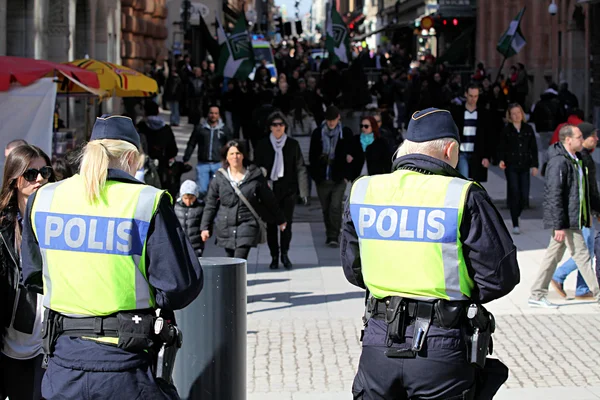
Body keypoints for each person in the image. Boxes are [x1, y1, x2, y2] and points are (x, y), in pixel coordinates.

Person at [20, 115, 204, 399]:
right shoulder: (146, 201)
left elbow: (33, 275)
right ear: (131, 157)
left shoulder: (44, 198)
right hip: (126, 364)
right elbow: (180, 285)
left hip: (64, 364)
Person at [341, 108, 519, 399]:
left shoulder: (364, 190)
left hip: (378, 339)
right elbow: (500, 276)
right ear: (450, 149)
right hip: (442, 345)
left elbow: (353, 269)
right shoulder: (463, 194)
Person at [0, 145, 54, 400]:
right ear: (14, 179)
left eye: (45, 171)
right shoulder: (3, 228)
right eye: (31, 174)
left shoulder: (61, 222)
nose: (40, 179)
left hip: (50, 340)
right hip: (10, 341)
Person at [529, 124, 600, 308]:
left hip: (572, 217)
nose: (581, 140)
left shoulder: (576, 159)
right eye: (578, 137)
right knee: (583, 256)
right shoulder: (559, 162)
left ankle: (537, 294)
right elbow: (554, 195)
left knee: (553, 257)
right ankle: (598, 294)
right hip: (567, 220)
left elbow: (583, 192)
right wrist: (558, 225)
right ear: (568, 140)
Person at [200, 140, 286, 260]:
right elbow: (211, 203)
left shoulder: (255, 175)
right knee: (230, 261)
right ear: (226, 157)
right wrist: (205, 227)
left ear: (243, 155)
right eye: (231, 154)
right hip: (225, 226)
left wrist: (280, 219)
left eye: (238, 153)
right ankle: (237, 279)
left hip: (247, 224)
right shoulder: (219, 177)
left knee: (240, 259)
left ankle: (239, 278)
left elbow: (269, 199)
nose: (235, 157)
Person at [254, 112, 310, 269]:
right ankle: (274, 256)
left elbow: (300, 168)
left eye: (281, 124)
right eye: (274, 125)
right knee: (271, 225)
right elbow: (255, 168)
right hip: (269, 190)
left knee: (286, 224)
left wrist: (303, 192)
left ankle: (285, 253)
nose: (278, 128)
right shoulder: (263, 144)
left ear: (285, 126)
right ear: (270, 127)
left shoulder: (292, 144)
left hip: (288, 190)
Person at [551, 123, 600, 299]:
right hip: (579, 214)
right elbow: (587, 190)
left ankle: (581, 288)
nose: (596, 139)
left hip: (582, 213)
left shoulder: (583, 158)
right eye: (593, 135)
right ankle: (558, 276)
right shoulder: (581, 159)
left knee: (584, 251)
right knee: (584, 253)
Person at [309, 106, 354, 247]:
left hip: (339, 177)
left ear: (338, 118)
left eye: (333, 120)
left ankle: (333, 235)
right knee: (326, 208)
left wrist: (347, 175)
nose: (331, 123)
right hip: (322, 177)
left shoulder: (345, 133)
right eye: (328, 120)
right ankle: (330, 231)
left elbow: (354, 154)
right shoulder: (317, 133)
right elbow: (312, 156)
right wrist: (316, 175)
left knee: (335, 206)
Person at [497, 103, 539, 234]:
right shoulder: (506, 130)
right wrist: (501, 159)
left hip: (525, 165)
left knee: (524, 194)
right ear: (509, 116)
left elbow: (533, 148)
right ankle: (515, 221)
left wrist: (535, 165)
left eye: (518, 113)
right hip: (512, 165)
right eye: (513, 114)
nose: (516, 116)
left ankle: (518, 212)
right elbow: (501, 146)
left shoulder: (528, 129)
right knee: (514, 192)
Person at [183, 105, 233, 198]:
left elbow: (231, 146)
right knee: (202, 190)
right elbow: (192, 143)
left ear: (219, 115)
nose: (213, 115)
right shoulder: (200, 128)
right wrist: (186, 158)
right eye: (211, 113)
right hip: (203, 164)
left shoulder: (224, 130)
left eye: (216, 113)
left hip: (218, 164)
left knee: (218, 191)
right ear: (207, 114)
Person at [451, 84, 492, 181]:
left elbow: (488, 136)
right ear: (466, 94)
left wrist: (487, 156)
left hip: (477, 153)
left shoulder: (483, 113)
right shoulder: (458, 112)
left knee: (475, 182)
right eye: (471, 96)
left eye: (476, 96)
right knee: (464, 181)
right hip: (462, 152)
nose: (473, 99)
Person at [137, 101, 178, 189]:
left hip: (144, 166)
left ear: (145, 112)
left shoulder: (141, 127)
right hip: (162, 166)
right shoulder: (166, 129)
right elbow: (173, 150)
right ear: (158, 112)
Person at [348, 116, 392, 181]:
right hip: (357, 178)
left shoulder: (381, 142)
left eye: (366, 126)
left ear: (373, 127)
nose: (363, 128)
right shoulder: (355, 140)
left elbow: (387, 161)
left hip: (374, 179)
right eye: (361, 126)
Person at [175, 180, 205, 258]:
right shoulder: (176, 207)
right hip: (179, 244)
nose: (188, 202)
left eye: (191, 198)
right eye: (185, 198)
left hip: (196, 245)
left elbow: (205, 223)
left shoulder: (201, 207)